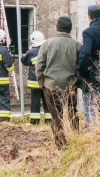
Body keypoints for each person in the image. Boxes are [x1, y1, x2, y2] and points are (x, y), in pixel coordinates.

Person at [35, 17, 81, 148]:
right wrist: (76, 83)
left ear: (56, 28)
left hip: (50, 85)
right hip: (70, 86)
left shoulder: (47, 44)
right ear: (70, 29)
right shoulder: (77, 45)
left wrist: (42, 82)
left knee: (56, 116)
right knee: (72, 113)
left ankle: (60, 143)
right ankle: (76, 140)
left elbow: (39, 66)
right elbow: (81, 66)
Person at [21, 31, 47, 124]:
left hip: (34, 82)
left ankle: (35, 121)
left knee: (35, 102)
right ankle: (49, 120)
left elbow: (24, 61)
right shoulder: (46, 50)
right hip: (45, 81)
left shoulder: (31, 52)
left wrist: (28, 50)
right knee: (47, 101)